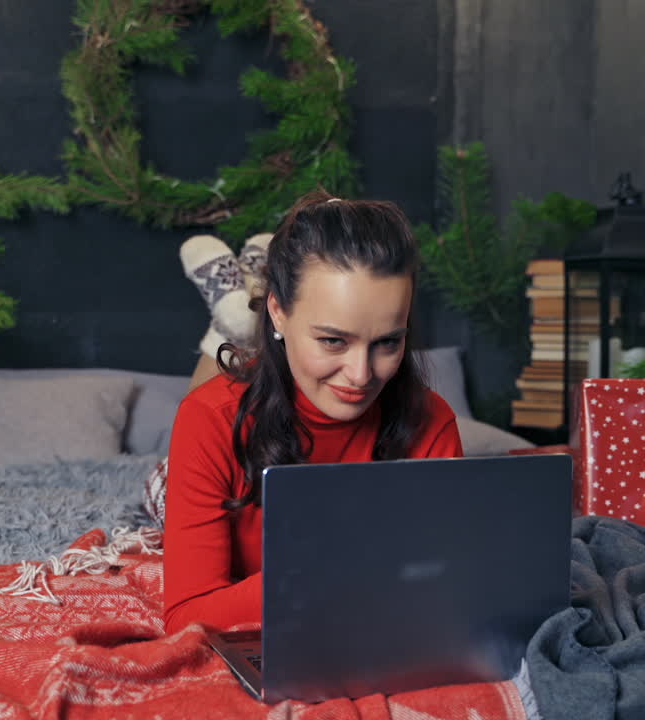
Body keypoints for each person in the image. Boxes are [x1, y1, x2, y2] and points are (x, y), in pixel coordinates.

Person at [163, 191, 464, 634]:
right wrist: (339, 569)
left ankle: (240, 306)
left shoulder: (432, 420)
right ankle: (227, 319)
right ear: (280, 313)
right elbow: (186, 615)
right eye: (333, 341)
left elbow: (445, 587)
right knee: (157, 492)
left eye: (387, 342)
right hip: (193, 457)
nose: (361, 376)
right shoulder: (208, 419)